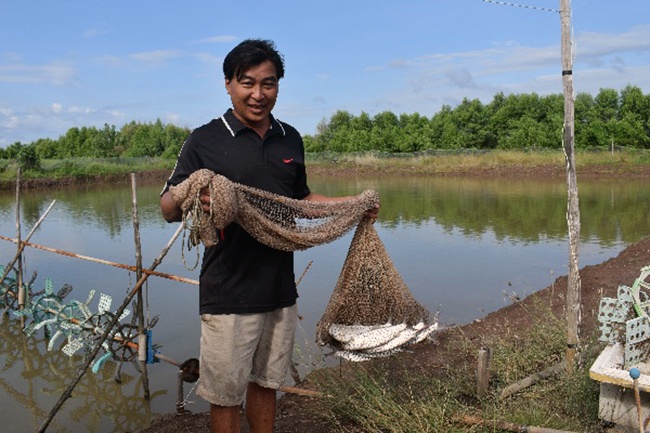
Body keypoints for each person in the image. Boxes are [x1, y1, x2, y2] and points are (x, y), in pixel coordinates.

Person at [159, 39, 379, 433]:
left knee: (266, 384)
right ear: (228, 84)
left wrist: (353, 204)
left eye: (269, 83)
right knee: (226, 394)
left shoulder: (289, 138)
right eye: (247, 83)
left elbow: (302, 200)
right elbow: (167, 208)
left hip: (279, 289)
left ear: (279, 86)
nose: (258, 94)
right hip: (227, 291)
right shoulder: (204, 139)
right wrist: (196, 193)